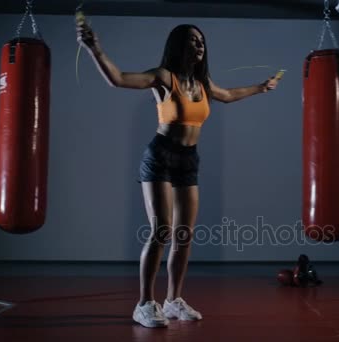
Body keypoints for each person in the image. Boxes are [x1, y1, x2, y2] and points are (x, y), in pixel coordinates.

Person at [76, 18, 280, 328]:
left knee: (184, 236)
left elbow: (228, 94)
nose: (199, 45)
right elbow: (117, 79)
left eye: (202, 41)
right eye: (193, 40)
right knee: (162, 232)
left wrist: (262, 88)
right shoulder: (163, 78)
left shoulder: (203, 84)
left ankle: (173, 301)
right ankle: (144, 304)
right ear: (178, 45)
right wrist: (94, 48)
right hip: (160, 156)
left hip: (188, 160)